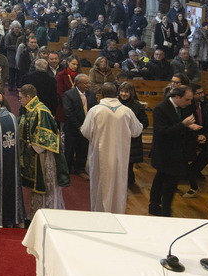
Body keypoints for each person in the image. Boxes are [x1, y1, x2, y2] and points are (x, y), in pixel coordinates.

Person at [80, 83, 144, 213]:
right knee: (118, 185)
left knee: (100, 185)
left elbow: (86, 132)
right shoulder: (126, 111)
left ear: (101, 95)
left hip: (100, 154)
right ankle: (117, 213)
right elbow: (137, 131)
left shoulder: (95, 110)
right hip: (120, 155)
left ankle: (99, 214)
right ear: (116, 93)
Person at [150, 85, 202, 217]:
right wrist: (183, 125)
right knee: (165, 181)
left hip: (178, 152)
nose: (190, 103)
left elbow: (181, 127)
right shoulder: (161, 108)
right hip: (165, 152)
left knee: (167, 180)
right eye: (187, 99)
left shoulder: (183, 107)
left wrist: (190, 127)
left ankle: (161, 207)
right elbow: (163, 132)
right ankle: (161, 209)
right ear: (177, 97)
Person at [18, 83, 65, 214]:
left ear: (28, 97)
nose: (19, 100)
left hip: (44, 156)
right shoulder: (31, 109)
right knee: (36, 191)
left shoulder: (41, 111)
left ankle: (49, 214)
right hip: (35, 155)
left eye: (21, 97)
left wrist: (33, 147)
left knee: (47, 187)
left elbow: (48, 135)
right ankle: (36, 214)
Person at [62, 73, 98, 178]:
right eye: (85, 83)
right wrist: (79, 126)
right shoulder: (69, 94)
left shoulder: (91, 94)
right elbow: (68, 112)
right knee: (70, 149)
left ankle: (80, 168)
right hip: (72, 128)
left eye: (88, 83)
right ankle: (67, 169)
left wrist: (88, 126)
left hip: (86, 127)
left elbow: (94, 109)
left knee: (83, 148)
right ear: (78, 83)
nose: (88, 85)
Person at [117, 81, 147, 192]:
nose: (123, 94)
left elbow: (145, 122)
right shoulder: (115, 103)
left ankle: (129, 182)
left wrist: (134, 129)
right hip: (118, 137)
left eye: (126, 92)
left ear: (131, 92)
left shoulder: (137, 105)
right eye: (121, 91)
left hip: (131, 138)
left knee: (129, 163)